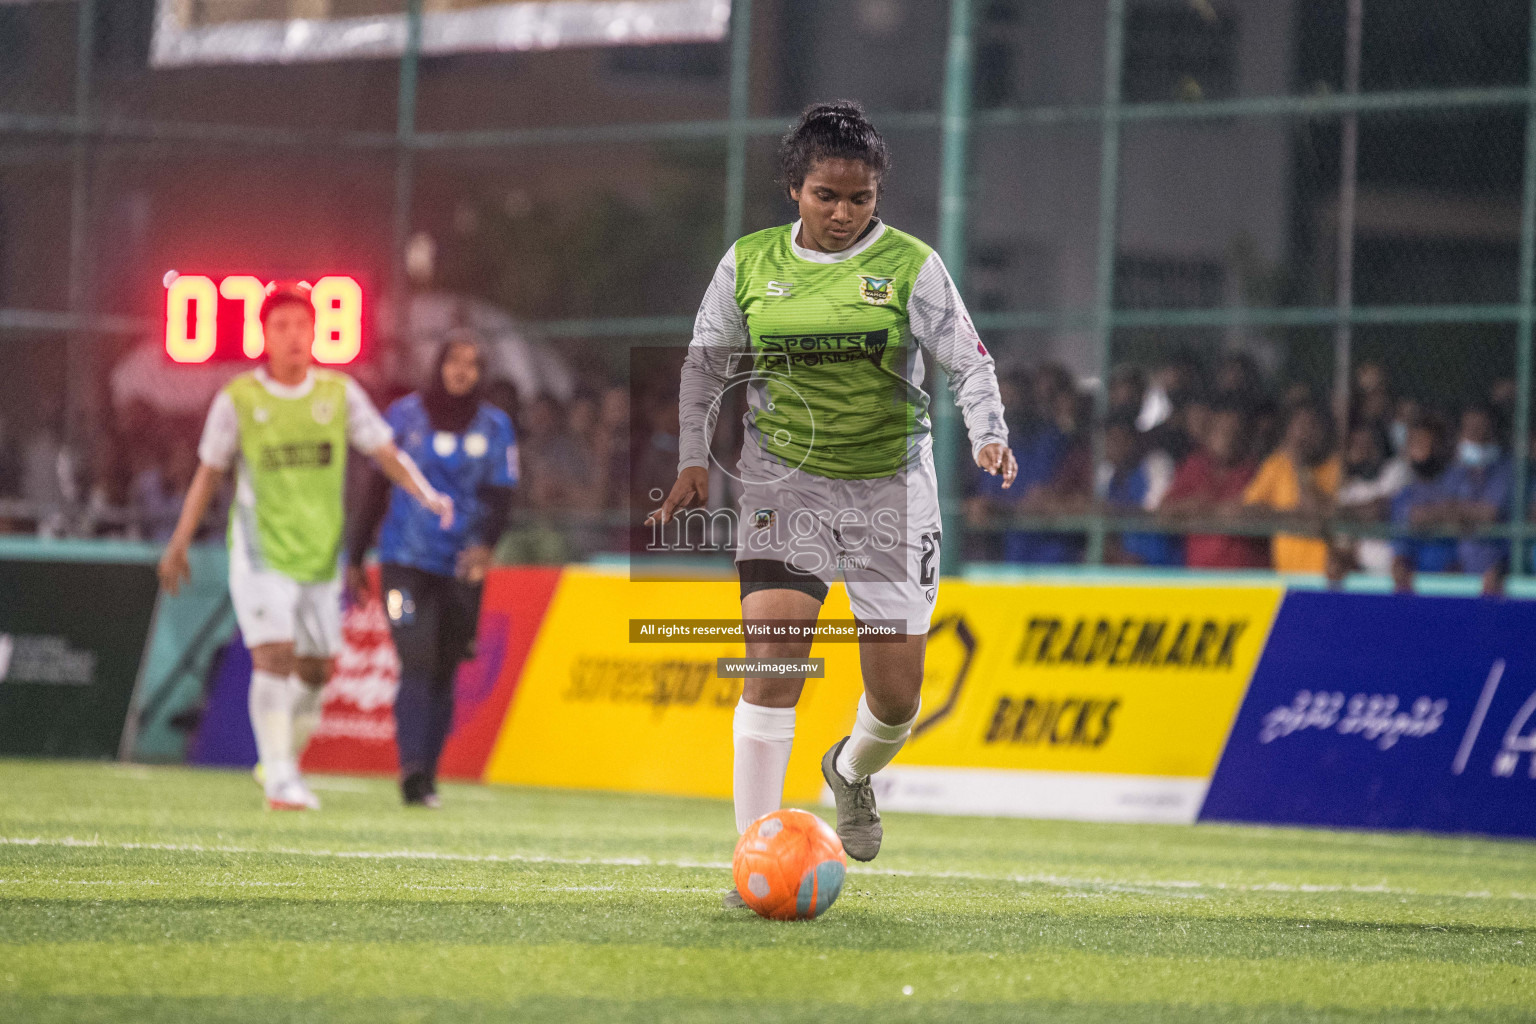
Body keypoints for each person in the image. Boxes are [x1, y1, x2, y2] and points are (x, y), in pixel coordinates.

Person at [651, 101, 1015, 908]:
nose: (844, 213)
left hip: (892, 491)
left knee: (896, 698)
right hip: (785, 486)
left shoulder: (913, 268)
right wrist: (692, 459)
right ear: (795, 190)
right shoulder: (747, 264)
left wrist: (989, 434)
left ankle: (849, 771)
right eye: (827, 196)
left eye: (860, 199)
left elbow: (970, 362)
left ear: (877, 195)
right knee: (772, 664)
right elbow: (704, 367)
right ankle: (753, 861)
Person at [158, 282, 452, 812]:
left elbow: (385, 453)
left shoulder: (338, 394)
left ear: (316, 332)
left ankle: (277, 760)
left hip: (320, 556)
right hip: (260, 552)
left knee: (316, 672)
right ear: (264, 336)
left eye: (301, 326)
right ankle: (281, 780)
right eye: (281, 327)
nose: (294, 336)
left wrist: (426, 494)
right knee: (274, 656)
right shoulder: (239, 400)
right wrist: (179, 541)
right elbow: (208, 475)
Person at [348, 334, 518, 808]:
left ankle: (428, 777)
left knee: (445, 668)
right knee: (416, 657)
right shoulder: (403, 417)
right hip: (404, 560)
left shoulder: (496, 426)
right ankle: (411, 769)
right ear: (438, 364)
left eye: (472, 363)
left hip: (462, 566)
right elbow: (375, 489)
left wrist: (485, 547)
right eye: (454, 360)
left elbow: (502, 496)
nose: (461, 370)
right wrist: (356, 554)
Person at [1160, 402, 1267, 569]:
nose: (1228, 438)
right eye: (1222, 432)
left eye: (1234, 432)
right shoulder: (1195, 466)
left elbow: (1266, 511)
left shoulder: (1254, 471)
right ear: (1209, 435)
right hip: (1201, 577)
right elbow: (1165, 510)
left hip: (1246, 578)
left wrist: (1239, 512)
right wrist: (1195, 505)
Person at [1242, 403, 1342, 574]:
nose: (1305, 434)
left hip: (1325, 574)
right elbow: (1249, 509)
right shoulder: (1276, 463)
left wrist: (1299, 467)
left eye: (1312, 426)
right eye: (1300, 426)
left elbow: (1315, 512)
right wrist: (1285, 515)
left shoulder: (1334, 466)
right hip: (1284, 572)